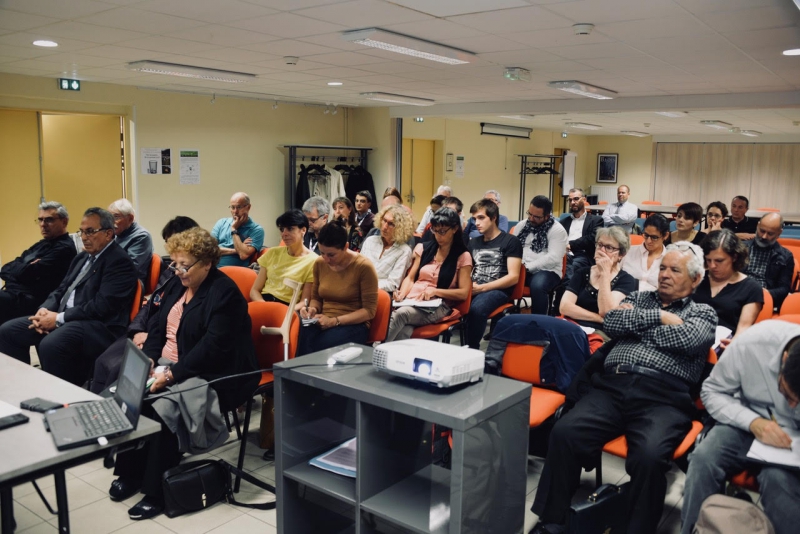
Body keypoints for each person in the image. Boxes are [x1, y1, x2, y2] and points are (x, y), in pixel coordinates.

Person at [531, 242, 717, 534]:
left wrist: (639, 327)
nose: (665, 274)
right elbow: (613, 321)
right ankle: (552, 521)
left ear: (694, 279)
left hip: (663, 397)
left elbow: (688, 339)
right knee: (565, 433)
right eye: (663, 268)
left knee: (650, 456)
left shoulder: (703, 312)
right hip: (612, 387)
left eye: (675, 270)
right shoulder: (642, 299)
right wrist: (660, 317)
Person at [110, 227, 259, 520]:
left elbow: (212, 349)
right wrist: (150, 359)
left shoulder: (225, 294)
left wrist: (171, 375)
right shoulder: (179, 285)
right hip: (171, 363)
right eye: (174, 263)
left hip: (216, 373)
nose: (177, 270)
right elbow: (157, 326)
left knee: (162, 409)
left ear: (207, 263)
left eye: (184, 265)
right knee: (130, 394)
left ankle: (156, 491)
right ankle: (130, 473)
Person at [680, 320, 800, 534]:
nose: (792, 405)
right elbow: (711, 392)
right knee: (703, 460)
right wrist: (753, 423)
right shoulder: (752, 344)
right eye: (788, 396)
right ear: (784, 360)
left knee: (778, 481)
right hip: (746, 419)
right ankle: (694, 530)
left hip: (794, 439)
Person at [0, 207, 137, 385]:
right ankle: (23, 386)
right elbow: (60, 289)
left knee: (51, 343)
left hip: (99, 326)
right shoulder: (82, 258)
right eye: (82, 232)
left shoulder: (119, 262)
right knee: (8, 332)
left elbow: (101, 306)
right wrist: (44, 309)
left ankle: (63, 398)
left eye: (90, 232)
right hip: (68, 317)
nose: (84, 237)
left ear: (108, 234)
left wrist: (58, 318)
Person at [91, 216, 200, 394]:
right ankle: (97, 409)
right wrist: (137, 330)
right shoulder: (170, 272)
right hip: (147, 331)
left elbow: (173, 321)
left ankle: (115, 413)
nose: (171, 251)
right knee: (103, 361)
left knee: (118, 369)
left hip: (160, 340)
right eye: (168, 243)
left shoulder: (188, 279)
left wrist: (149, 336)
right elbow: (151, 305)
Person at [387, 207, 472, 341]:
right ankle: (393, 358)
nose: (438, 236)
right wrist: (402, 294)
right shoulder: (425, 248)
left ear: (455, 229)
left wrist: (436, 291)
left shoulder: (462, 256)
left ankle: (375, 352)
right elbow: (410, 278)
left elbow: (463, 293)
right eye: (435, 230)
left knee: (401, 315)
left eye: (443, 231)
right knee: (405, 329)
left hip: (438, 306)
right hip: (413, 300)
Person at [297, 222, 378, 356]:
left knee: (317, 345)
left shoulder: (363, 267)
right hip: (323, 320)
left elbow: (369, 312)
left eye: (331, 255)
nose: (326, 259)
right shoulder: (319, 263)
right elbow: (316, 298)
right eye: (322, 253)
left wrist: (335, 321)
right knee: (297, 335)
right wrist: (312, 309)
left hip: (353, 324)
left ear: (346, 247)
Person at [0, 201, 77, 326]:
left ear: (64, 222)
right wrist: (24, 268)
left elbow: (27, 273)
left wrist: (22, 268)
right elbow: (4, 269)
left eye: (49, 220)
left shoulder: (64, 248)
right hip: (16, 295)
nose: (43, 224)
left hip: (37, 302)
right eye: (40, 220)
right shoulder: (41, 244)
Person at [560, 227, 636, 351]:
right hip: (571, 325)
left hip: (600, 334)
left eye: (609, 248)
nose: (602, 250)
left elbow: (606, 311)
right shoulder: (582, 272)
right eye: (600, 245)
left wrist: (605, 274)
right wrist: (599, 319)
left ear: (621, 255)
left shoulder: (626, 280)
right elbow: (565, 307)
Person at [466, 198, 522, 349]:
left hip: (499, 289)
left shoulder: (510, 241)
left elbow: (513, 277)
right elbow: (467, 269)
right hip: (476, 286)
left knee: (476, 309)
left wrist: (483, 288)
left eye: (481, 218)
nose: (476, 223)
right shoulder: (473, 243)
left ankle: (472, 350)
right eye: (474, 219)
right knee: (451, 303)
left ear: (494, 218)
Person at [693, 229, 763, 348]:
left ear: (734, 257)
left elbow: (743, 328)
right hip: (691, 339)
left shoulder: (751, 288)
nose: (712, 265)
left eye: (719, 261)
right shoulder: (698, 279)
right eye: (708, 260)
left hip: (723, 346)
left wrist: (734, 343)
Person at [513, 195, 568, 315]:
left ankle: (538, 323)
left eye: (537, 217)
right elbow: (512, 247)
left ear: (547, 216)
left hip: (548, 271)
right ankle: (503, 321)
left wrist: (527, 267)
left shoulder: (557, 230)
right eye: (529, 214)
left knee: (538, 285)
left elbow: (553, 258)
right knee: (500, 279)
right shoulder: (522, 225)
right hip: (520, 268)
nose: (531, 219)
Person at [250, 209, 316, 307]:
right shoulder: (272, 253)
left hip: (287, 307)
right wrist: (264, 307)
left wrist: (285, 312)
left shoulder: (313, 260)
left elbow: (304, 302)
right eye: (282, 229)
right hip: (263, 302)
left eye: (290, 229)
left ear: (303, 230)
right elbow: (254, 290)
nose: (284, 234)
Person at [744, 213, 795, 310]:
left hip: (765, 300)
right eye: (762, 231)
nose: (764, 236)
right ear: (757, 226)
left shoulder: (786, 256)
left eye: (770, 233)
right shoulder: (741, 248)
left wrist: (765, 294)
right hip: (739, 294)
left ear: (779, 233)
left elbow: (784, 289)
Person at [360, 204, 413, 293]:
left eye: (391, 224)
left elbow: (392, 284)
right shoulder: (370, 241)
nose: (384, 227)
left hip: (380, 293)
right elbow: (358, 269)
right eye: (384, 221)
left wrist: (366, 285)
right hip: (358, 288)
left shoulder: (404, 251)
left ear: (400, 228)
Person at [558, 188, 603, 283]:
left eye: (576, 199)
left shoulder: (596, 220)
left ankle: (564, 295)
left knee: (569, 267)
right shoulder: (563, 222)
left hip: (583, 255)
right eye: (570, 200)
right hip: (564, 254)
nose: (573, 202)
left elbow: (591, 239)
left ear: (584, 199)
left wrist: (570, 245)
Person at [211, 192, 264, 267]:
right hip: (211, 268)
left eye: (239, 207)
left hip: (235, 272)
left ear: (248, 207)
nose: (235, 211)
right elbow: (209, 249)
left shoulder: (256, 230)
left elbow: (243, 255)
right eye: (232, 207)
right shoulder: (221, 223)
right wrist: (237, 250)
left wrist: (234, 229)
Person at [108, 198, 154, 284]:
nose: (111, 222)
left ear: (130, 218)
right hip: (113, 277)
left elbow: (129, 268)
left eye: (116, 217)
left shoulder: (141, 236)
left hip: (128, 283)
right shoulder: (116, 233)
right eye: (109, 218)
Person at [622, 214, 670, 292]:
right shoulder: (629, 252)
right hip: (625, 297)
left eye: (654, 237)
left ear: (665, 235)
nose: (648, 241)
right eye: (646, 235)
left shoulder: (670, 260)